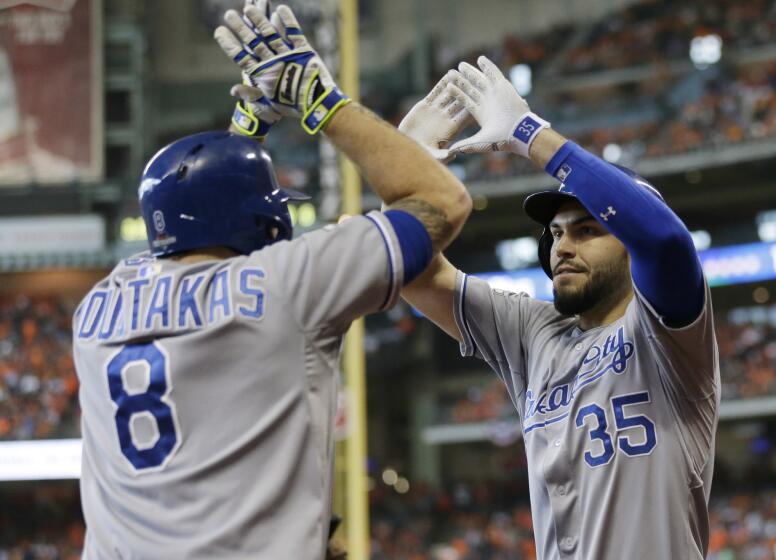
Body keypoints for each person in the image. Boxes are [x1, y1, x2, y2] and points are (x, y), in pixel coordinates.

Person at [71, 5, 471, 559]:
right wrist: (321, 103)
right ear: (263, 221)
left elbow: (189, 235)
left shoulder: (99, 304)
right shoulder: (288, 283)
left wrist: (245, 136)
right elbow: (443, 203)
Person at [399, 56, 720, 559]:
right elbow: (412, 271)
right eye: (555, 233)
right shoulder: (534, 334)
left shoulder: (670, 333)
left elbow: (664, 241)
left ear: (628, 244)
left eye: (587, 230)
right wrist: (403, 173)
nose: (563, 246)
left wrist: (530, 135)